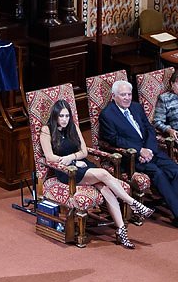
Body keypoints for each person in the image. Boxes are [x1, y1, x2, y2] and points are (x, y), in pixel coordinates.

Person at [39, 99, 155, 249]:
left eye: (67, 116)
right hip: (67, 172)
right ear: (55, 116)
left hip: (83, 165)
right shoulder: (46, 130)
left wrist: (73, 157)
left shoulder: (73, 127)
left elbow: (84, 151)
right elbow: (49, 157)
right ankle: (133, 203)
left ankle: (121, 231)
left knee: (106, 189)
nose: (64, 120)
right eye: (61, 116)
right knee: (104, 174)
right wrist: (71, 161)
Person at [97, 80, 178, 232]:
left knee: (177, 170)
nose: (127, 98)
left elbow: (149, 129)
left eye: (129, 94)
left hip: (151, 151)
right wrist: (140, 151)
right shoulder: (107, 115)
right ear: (113, 96)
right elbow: (114, 140)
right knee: (158, 174)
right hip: (131, 157)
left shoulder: (136, 107)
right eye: (122, 95)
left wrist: (149, 149)